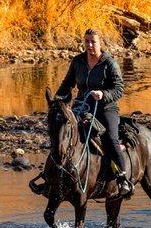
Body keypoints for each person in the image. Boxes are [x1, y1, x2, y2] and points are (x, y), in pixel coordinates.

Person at [54, 28, 132, 198]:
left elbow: (119, 89)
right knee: (62, 131)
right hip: (81, 106)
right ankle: (54, 175)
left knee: (111, 139)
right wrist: (57, 100)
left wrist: (104, 94)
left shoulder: (109, 63)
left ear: (100, 43)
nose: (89, 45)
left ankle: (122, 178)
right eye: (87, 41)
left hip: (106, 109)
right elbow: (67, 83)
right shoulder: (78, 61)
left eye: (93, 41)